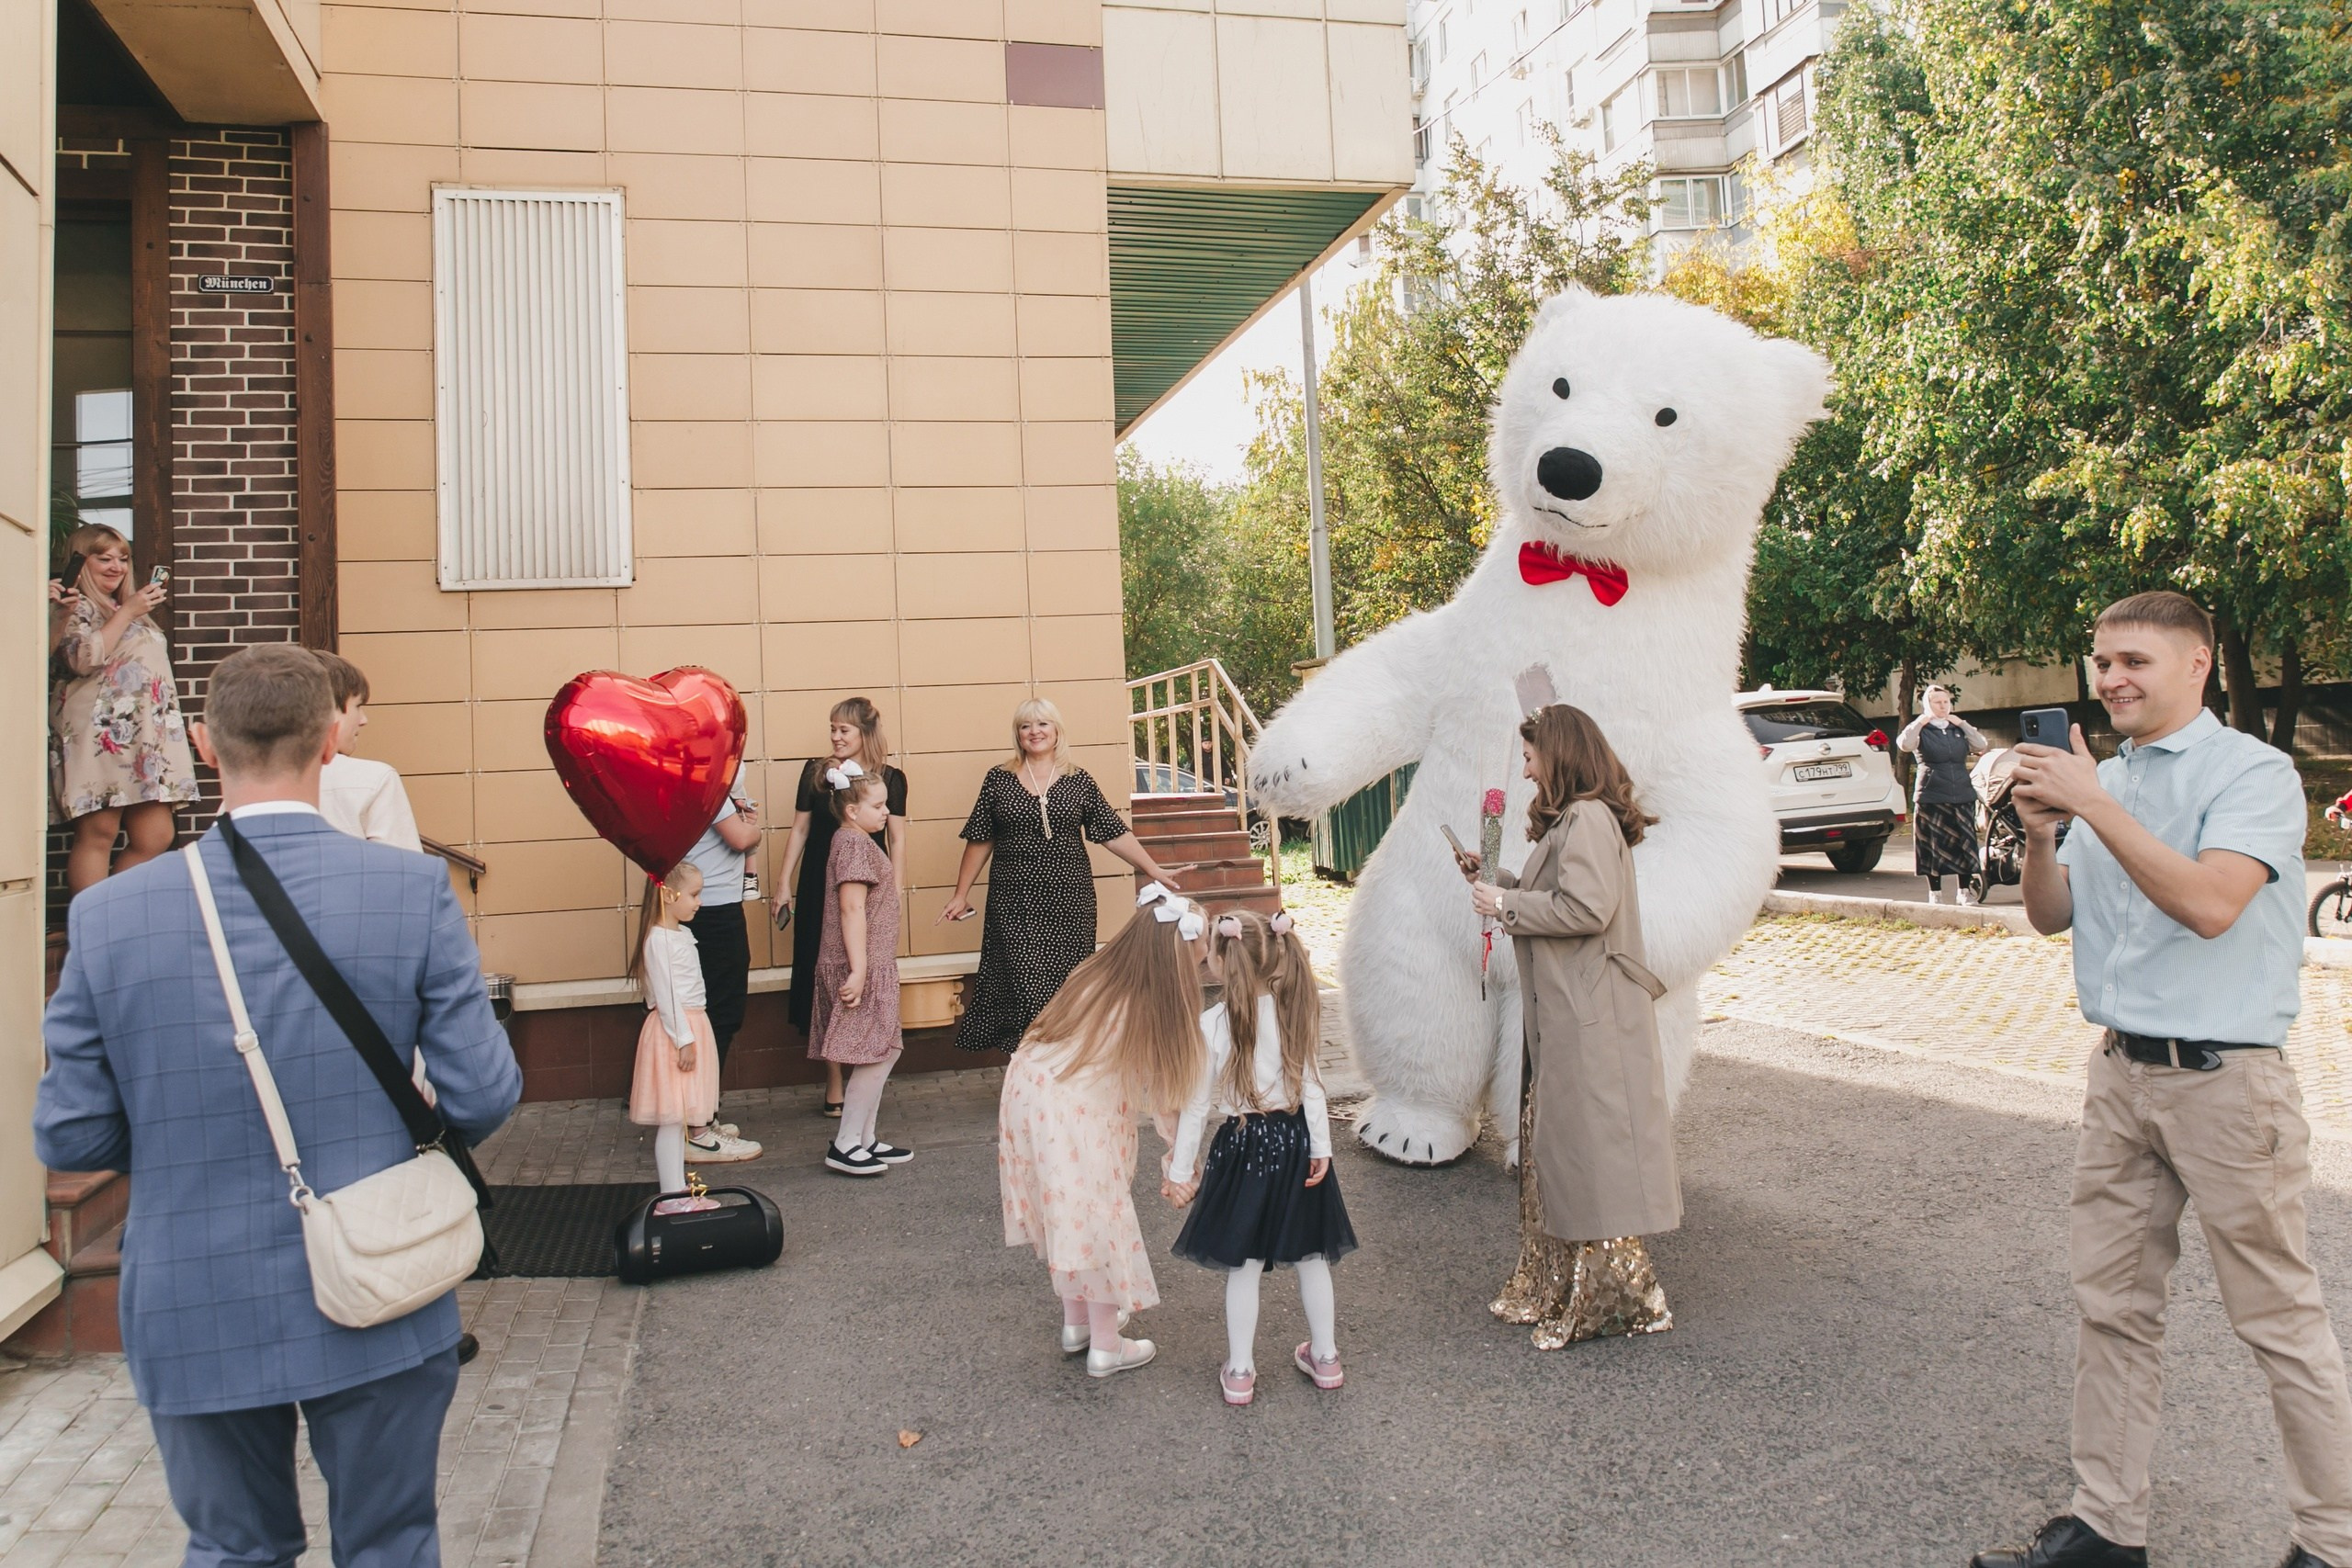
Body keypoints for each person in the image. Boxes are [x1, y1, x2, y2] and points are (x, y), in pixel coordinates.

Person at [34, 643, 521, 1564]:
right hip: (380, 1281)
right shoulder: (410, 891)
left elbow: (73, 1130)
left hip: (191, 1290)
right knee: (390, 1543)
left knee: (233, 1548)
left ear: (204, 748)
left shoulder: (107, 917)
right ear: (330, 743)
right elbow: (484, 1093)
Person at [1974, 592, 2352, 1568]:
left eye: (2134, 661)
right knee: (2111, 1309)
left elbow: (2211, 905)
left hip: (2226, 1086)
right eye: (2101, 663)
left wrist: (2093, 801)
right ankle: (2106, 1528)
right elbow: (2051, 920)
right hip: (2121, 1078)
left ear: (2197, 663)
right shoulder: (2108, 779)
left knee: (2277, 1323)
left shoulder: (2253, 774)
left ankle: (2331, 1540)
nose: (2111, 681)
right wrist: (2046, 833)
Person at [1459, 704, 1679, 1350]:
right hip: (1577, 1011)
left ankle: (1613, 1298)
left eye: (1530, 758)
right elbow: (1556, 896)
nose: (1526, 771)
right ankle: (1576, 1286)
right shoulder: (1580, 819)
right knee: (1569, 1149)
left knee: (1591, 1154)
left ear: (1557, 754)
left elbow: (1585, 906)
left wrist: (1503, 903)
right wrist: (1496, 881)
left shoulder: (1585, 818)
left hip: (1589, 1015)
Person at [998, 883, 1208, 1380]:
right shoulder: (1152, 1005)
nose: (1198, 972)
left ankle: (1077, 1323)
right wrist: (1180, 1167)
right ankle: (1107, 1347)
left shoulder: (1095, 972)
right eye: (1197, 962)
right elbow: (1165, 1098)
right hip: (1075, 1113)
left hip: (1027, 1095)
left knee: (1066, 1209)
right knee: (1097, 1213)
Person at [1165, 909, 1356, 1405]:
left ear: (1221, 961)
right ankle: (1327, 1357)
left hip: (1243, 1146)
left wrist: (1181, 1170)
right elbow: (1312, 1083)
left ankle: (1241, 1370)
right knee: (1313, 1257)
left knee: (1244, 1266)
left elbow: (1196, 1105)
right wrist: (1321, 1148)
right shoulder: (1295, 1010)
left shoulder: (1211, 1024)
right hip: (1295, 1140)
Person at [944, 697, 1187, 1055]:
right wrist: (960, 894)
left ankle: (1063, 1065)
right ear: (1018, 735)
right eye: (1026, 726)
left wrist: (1153, 869)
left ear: (1057, 731)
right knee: (1022, 982)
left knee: (1068, 982)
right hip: (1014, 902)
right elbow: (981, 838)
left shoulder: (1078, 780)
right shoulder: (999, 779)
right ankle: (1028, 1065)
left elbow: (1112, 831)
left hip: (1069, 902)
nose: (1034, 732)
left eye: (1042, 724)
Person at [49, 523, 200, 894]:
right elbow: (81, 660)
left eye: (123, 558)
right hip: (99, 733)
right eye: (104, 558)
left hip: (145, 738)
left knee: (156, 835)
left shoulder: (126, 608)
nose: (116, 566)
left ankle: (111, 917)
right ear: (81, 561)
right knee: (99, 832)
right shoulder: (74, 605)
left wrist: (130, 610)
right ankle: (91, 933)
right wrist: (128, 612)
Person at [779, 697, 907, 1118]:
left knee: (862, 973)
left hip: (864, 889)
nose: (835, 737)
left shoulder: (891, 779)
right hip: (820, 884)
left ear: (866, 733)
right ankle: (834, 1082)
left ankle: (862, 1083)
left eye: (844, 730)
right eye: (832, 729)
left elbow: (897, 840)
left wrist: (896, 891)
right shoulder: (814, 774)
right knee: (830, 972)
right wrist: (783, 883)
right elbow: (800, 829)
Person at [811, 764, 908, 1178]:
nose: (886, 812)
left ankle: (865, 1138)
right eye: (878, 805)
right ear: (852, 811)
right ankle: (847, 1142)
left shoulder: (857, 840)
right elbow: (851, 908)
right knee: (873, 1055)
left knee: (885, 1049)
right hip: (863, 966)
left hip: (873, 964)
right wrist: (860, 969)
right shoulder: (853, 845)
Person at [630, 860, 730, 1201]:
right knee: (672, 1119)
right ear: (669, 894)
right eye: (694, 895)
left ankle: (678, 1192)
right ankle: (671, 1196)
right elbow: (666, 996)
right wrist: (684, 1040)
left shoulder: (681, 933)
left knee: (679, 1120)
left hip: (689, 1026)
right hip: (676, 1033)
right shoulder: (659, 940)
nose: (698, 902)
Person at [679, 764, 763, 1164]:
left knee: (715, 1013)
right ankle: (699, 1127)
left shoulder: (700, 781)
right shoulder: (708, 782)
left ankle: (703, 1116)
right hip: (713, 907)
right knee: (721, 1013)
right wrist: (753, 827)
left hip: (709, 903)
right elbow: (741, 837)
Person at [314, 651, 423, 853]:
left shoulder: (248, 778)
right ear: (328, 710)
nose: (363, 720)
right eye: (358, 706)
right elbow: (401, 873)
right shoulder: (375, 779)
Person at [1897, 682, 1989, 905]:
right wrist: (1920, 721)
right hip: (1932, 794)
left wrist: (1962, 723)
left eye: (1946, 702)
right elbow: (1904, 745)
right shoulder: (1922, 729)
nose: (1942, 706)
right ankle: (1935, 893)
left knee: (1965, 844)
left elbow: (1980, 744)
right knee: (1932, 845)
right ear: (1927, 705)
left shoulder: (1957, 729)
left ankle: (1964, 892)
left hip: (1961, 793)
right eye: (1937, 702)